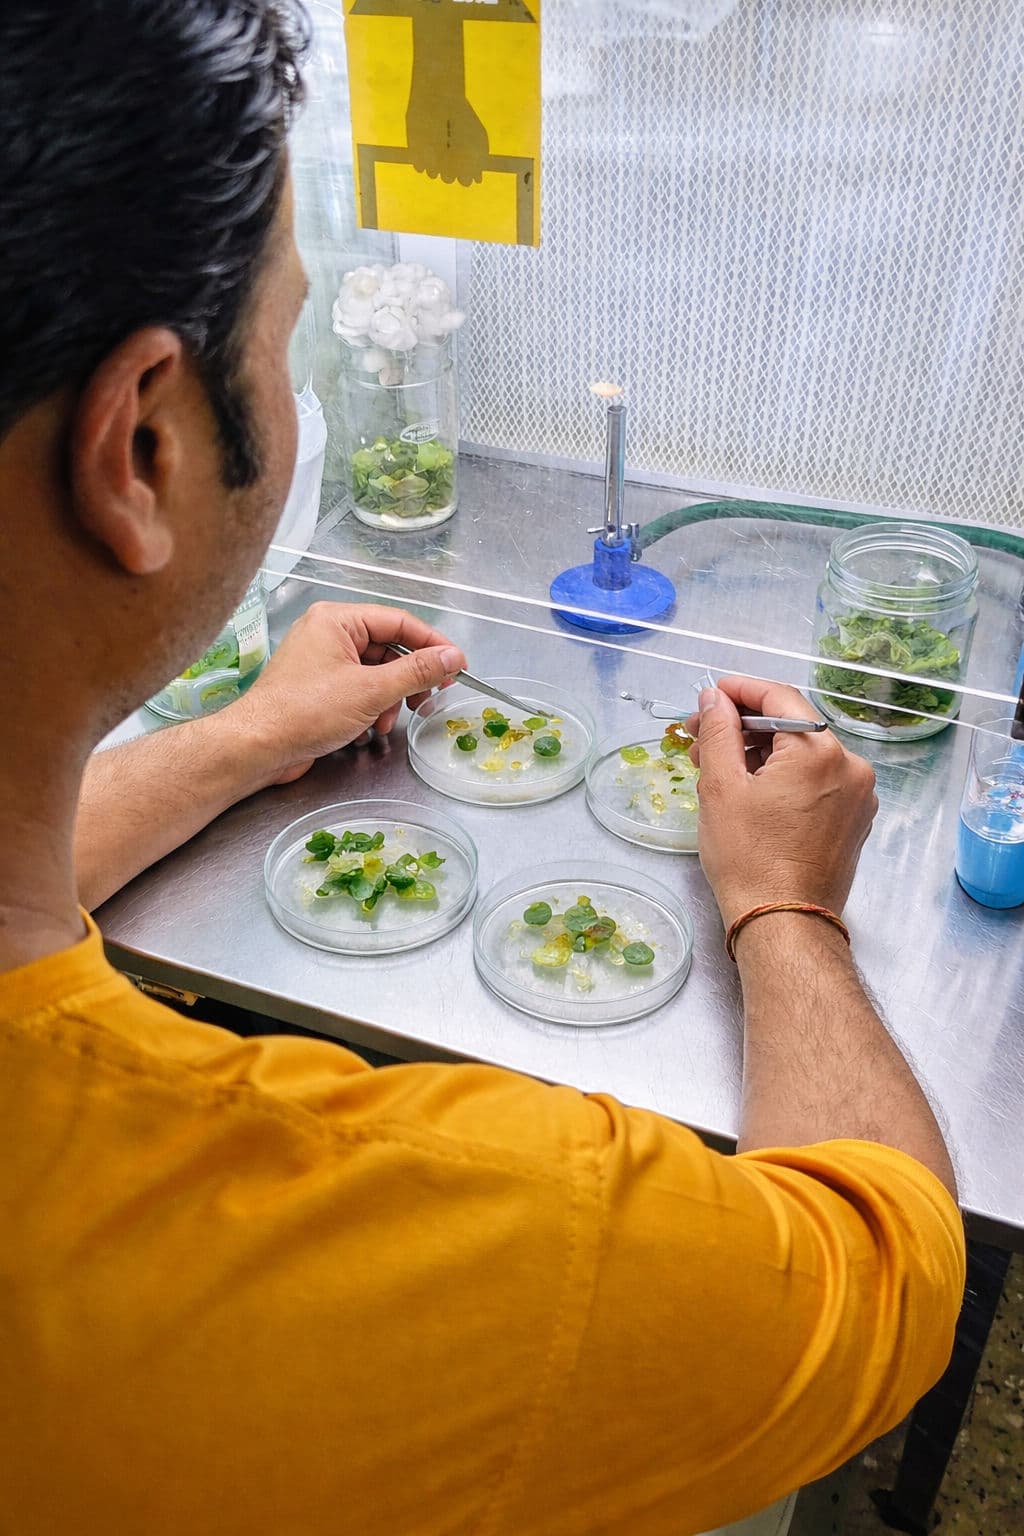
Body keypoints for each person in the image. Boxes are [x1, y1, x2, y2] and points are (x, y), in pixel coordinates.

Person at [0, 4, 964, 1534]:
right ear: (141, 448)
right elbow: (884, 1271)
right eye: (291, 332)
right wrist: (788, 906)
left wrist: (249, 736)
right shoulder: (460, 1229)